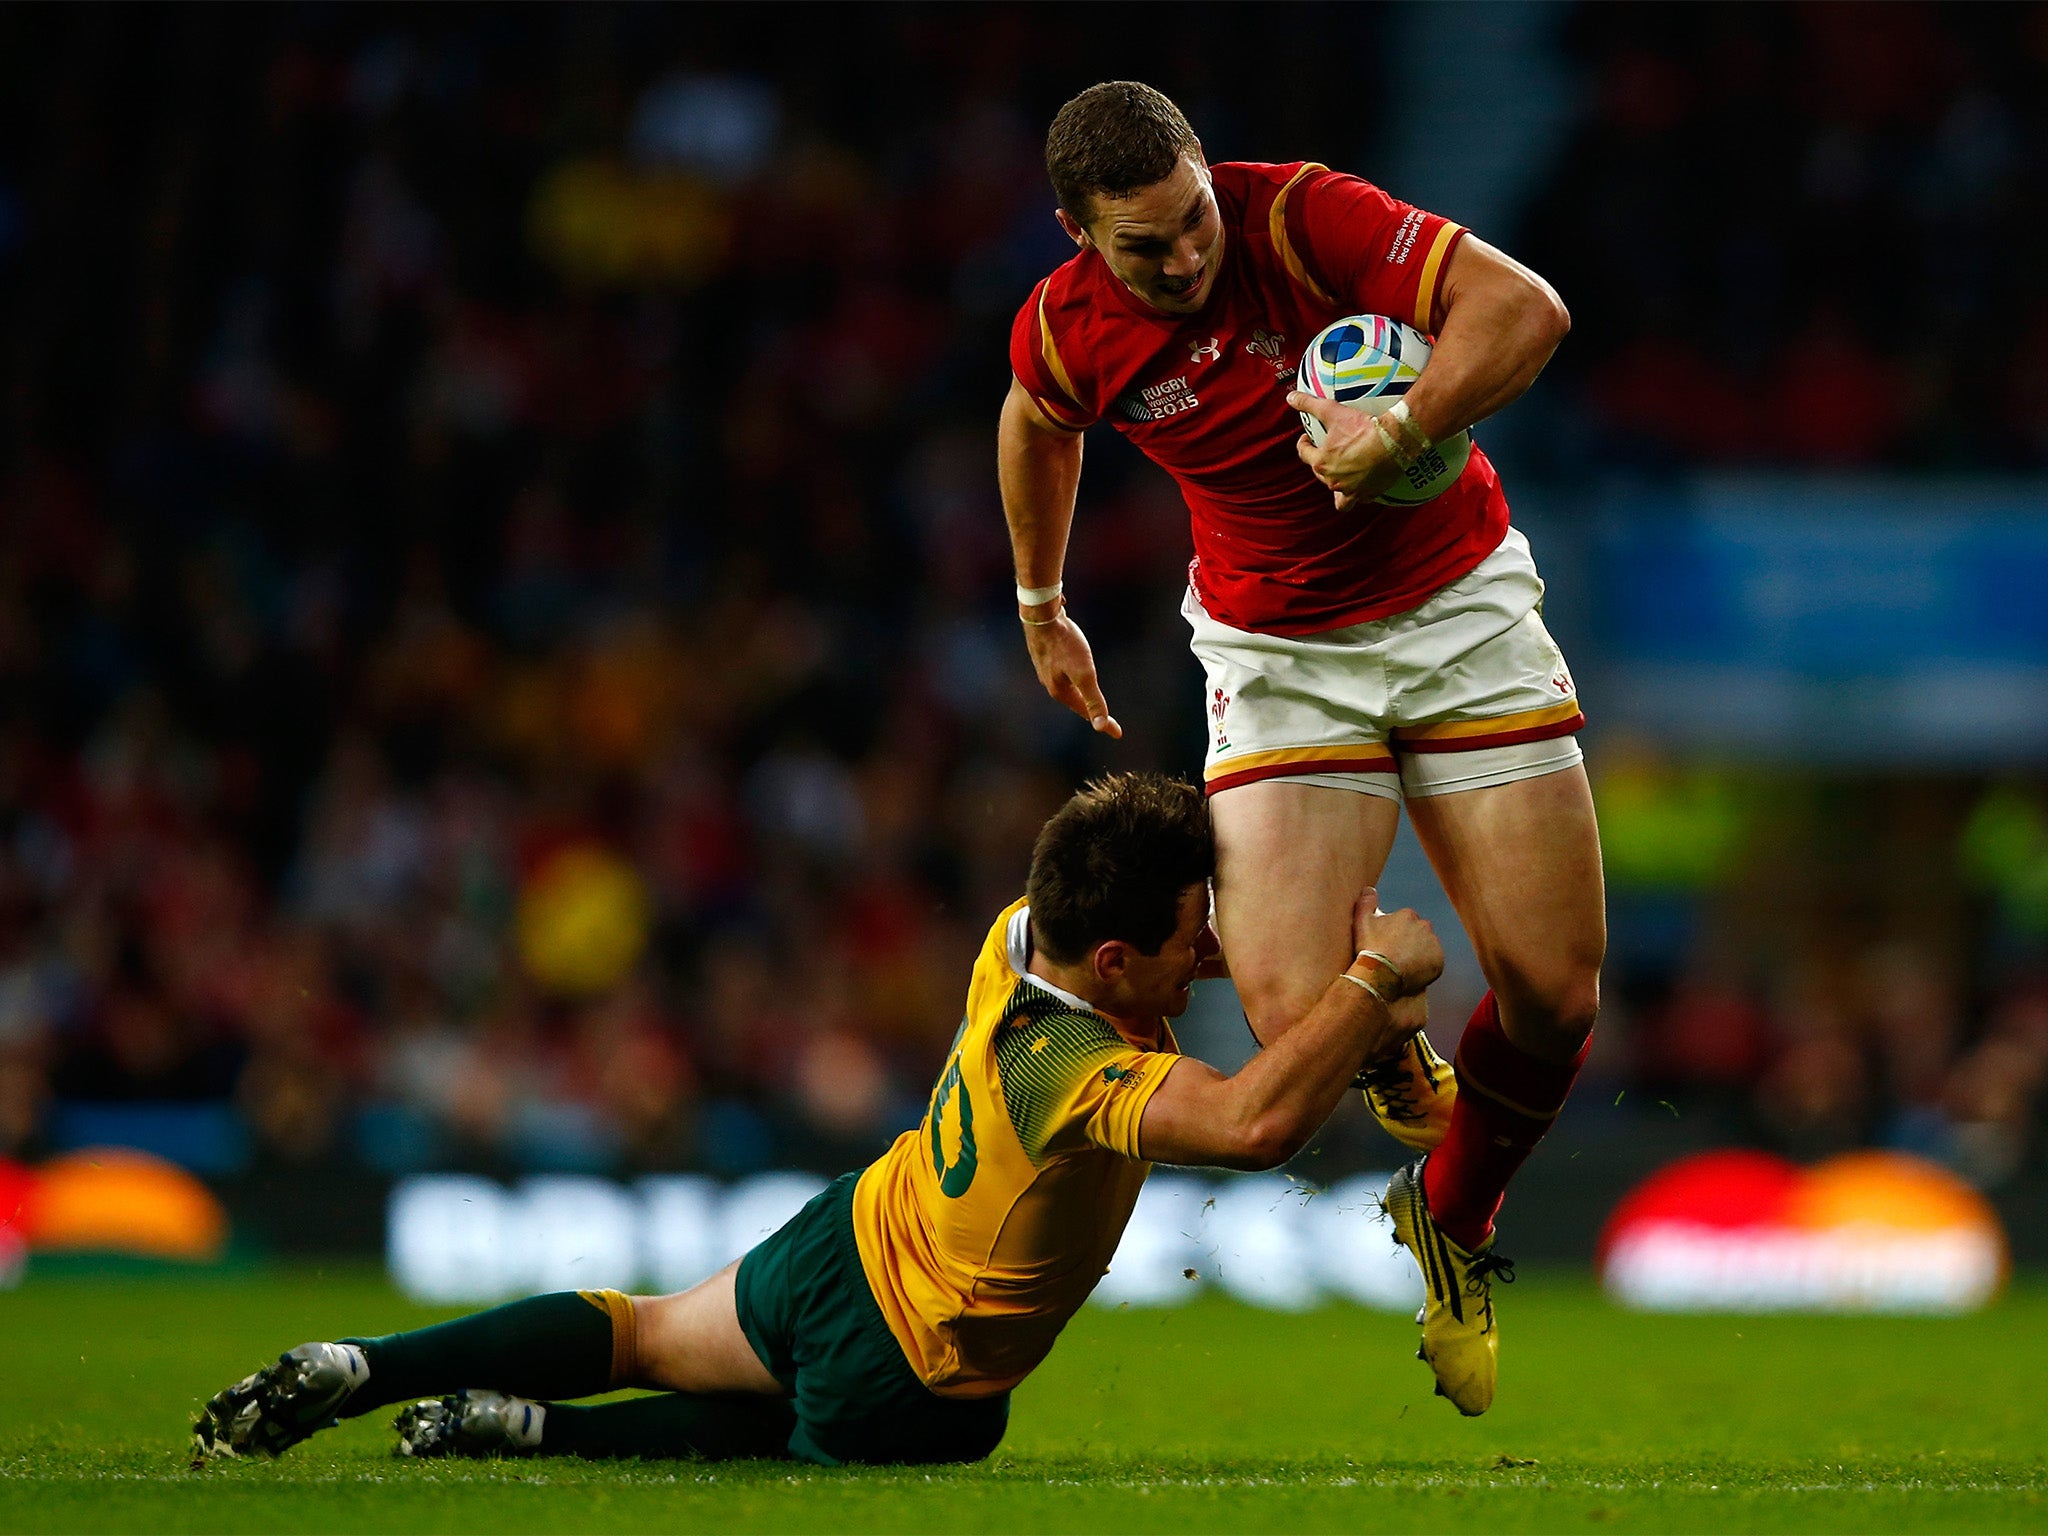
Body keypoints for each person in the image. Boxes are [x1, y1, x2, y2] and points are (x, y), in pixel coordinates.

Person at [192, 772, 1443, 1467]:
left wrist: (1311, 965)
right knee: (775, 1440)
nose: (1203, 958)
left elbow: (1189, 965)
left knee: (638, 1330)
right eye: (1183, 943)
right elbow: (1248, 1127)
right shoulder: (1064, 1066)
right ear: (1113, 959)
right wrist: (1374, 983)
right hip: (916, 1372)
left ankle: (366, 1367)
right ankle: (545, 1439)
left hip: (848, 1234)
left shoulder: (1022, 932)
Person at [999, 81, 1603, 1415]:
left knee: (1557, 997)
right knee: (1293, 1017)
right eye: (1144, 245)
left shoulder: (1303, 220)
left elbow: (1527, 311)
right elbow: (1036, 423)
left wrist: (1401, 429)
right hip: (1279, 657)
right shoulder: (1067, 327)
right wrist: (1043, 605)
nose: (1185, 256)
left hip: (1458, 612)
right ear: (1075, 233)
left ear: (1211, 177)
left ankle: (1451, 1218)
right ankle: (1394, 1048)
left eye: (1192, 219)